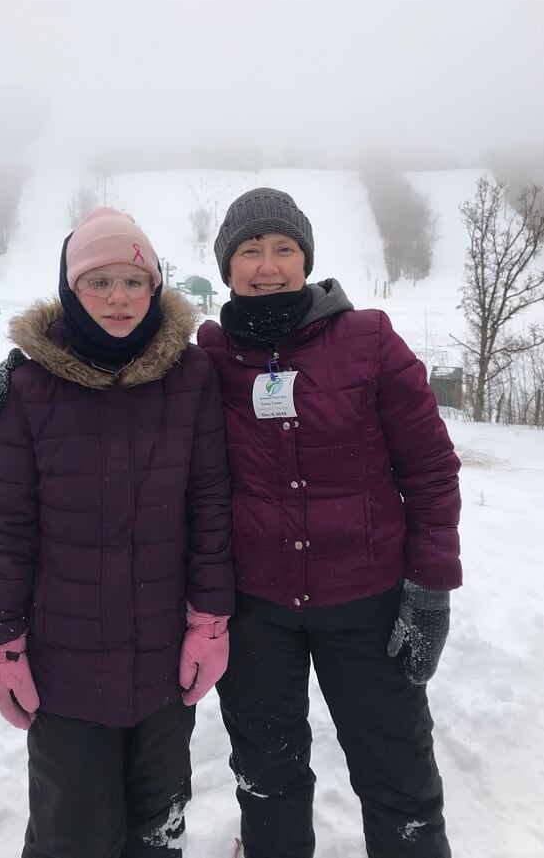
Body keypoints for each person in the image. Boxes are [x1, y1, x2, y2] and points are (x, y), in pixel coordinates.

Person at [194, 188, 462, 858]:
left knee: (397, 771)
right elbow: (117, 352)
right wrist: (30, 367)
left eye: (283, 248)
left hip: (367, 601)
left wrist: (429, 586)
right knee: (266, 772)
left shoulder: (367, 339)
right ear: (226, 265)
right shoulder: (207, 353)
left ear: (305, 259)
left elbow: (428, 468)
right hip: (257, 607)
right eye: (249, 250)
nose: (267, 264)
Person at [0, 207, 234, 858]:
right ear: (69, 288)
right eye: (99, 282)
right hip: (64, 669)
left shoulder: (192, 377)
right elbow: (5, 524)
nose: (119, 297)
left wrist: (210, 621)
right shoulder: (31, 390)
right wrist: (2, 641)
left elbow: (210, 504)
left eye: (133, 282)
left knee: (157, 829)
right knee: (73, 834)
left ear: (155, 287)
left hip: (163, 661)